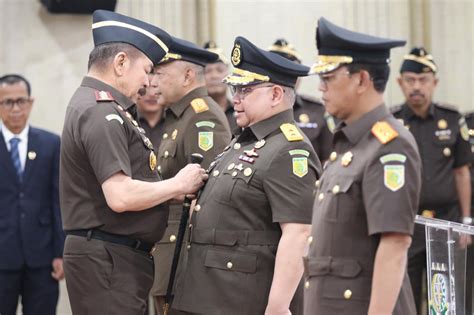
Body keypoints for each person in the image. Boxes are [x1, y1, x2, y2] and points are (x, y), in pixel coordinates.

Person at [59, 10, 207, 315]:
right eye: (147, 69)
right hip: (108, 261)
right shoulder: (101, 112)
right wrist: (177, 184)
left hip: (113, 259)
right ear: (121, 62)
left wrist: (173, 192)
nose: (148, 82)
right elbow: (120, 195)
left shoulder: (101, 106)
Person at [172, 36, 321, 315]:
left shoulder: (289, 150)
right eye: (235, 89)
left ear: (276, 95)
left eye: (246, 90)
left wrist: (278, 306)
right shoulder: (245, 140)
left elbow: (299, 232)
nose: (235, 98)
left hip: (241, 299)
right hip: (209, 293)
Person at [304, 17, 421, 315]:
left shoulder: (389, 146)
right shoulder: (351, 143)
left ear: (361, 80)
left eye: (329, 78)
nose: (320, 88)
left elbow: (394, 244)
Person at [151, 36, 231, 314]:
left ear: (187, 76)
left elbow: (209, 194)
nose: (153, 82)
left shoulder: (202, 117)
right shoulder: (179, 116)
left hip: (184, 255)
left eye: (160, 74)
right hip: (168, 250)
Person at [392, 47, 472, 313]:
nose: (417, 86)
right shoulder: (391, 123)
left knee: (446, 299)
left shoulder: (452, 120)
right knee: (406, 297)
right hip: (406, 224)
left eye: (423, 80)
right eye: (411, 80)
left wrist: (465, 220)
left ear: (434, 83)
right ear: (400, 83)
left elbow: (461, 172)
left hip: (446, 223)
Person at [0, 74, 65, 315]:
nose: (15, 108)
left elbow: (58, 201)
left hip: (43, 257)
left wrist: (60, 252)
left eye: (21, 101)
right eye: (7, 102)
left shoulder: (50, 143)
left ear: (31, 102)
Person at [269, 38, 335, 161]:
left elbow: (329, 158)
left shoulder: (317, 110)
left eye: (293, 71)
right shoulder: (255, 110)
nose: (286, 78)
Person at [203, 40, 237, 131]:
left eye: (220, 70)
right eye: (208, 71)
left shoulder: (239, 111)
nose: (214, 76)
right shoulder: (194, 113)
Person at [137, 73, 166, 149]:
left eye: (156, 87)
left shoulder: (174, 120)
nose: (152, 94)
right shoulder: (129, 121)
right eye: (146, 87)